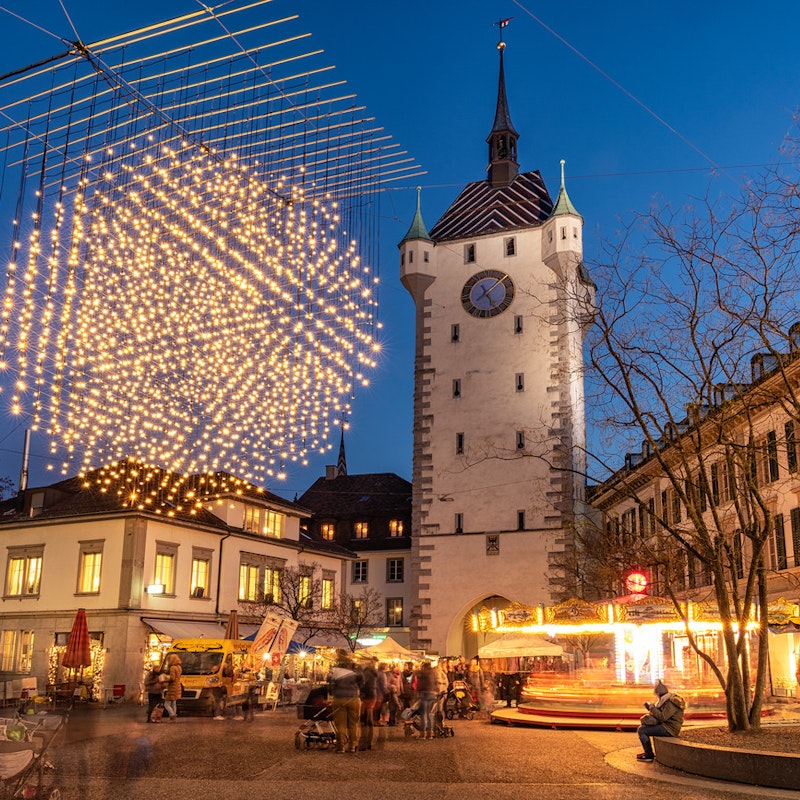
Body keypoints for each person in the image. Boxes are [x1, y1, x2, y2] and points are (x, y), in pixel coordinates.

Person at [636, 680, 686, 762]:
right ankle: (648, 752)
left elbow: (663, 717)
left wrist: (652, 708)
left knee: (642, 730)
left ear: (659, 694)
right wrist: (650, 708)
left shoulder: (671, 702)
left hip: (670, 729)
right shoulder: (666, 700)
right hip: (666, 726)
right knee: (644, 727)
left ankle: (649, 755)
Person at [328, 653, 362, 753]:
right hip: (353, 699)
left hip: (339, 699)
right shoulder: (356, 672)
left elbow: (330, 686)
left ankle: (341, 746)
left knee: (340, 724)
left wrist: (332, 692)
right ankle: (352, 746)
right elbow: (362, 683)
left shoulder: (335, 672)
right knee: (353, 724)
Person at [412, 661, 436, 740]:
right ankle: (430, 733)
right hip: (432, 694)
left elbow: (416, 673)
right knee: (429, 714)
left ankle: (423, 734)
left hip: (424, 694)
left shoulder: (422, 673)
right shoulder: (432, 673)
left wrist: (416, 668)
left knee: (423, 715)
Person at [359, 658, 378, 750]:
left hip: (367, 696)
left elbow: (363, 684)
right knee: (369, 719)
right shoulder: (373, 672)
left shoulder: (367, 673)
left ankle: (364, 744)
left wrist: (360, 691)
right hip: (372, 695)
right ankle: (368, 742)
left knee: (365, 720)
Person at [163, 653, 182, 722]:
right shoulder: (179, 667)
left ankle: (172, 715)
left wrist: (165, 679)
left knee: (166, 704)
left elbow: (172, 678)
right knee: (174, 702)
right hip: (177, 685)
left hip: (172, 687)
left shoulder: (172, 668)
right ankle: (173, 718)